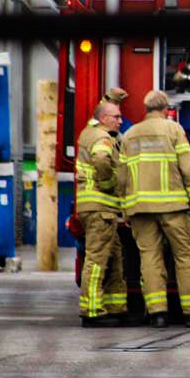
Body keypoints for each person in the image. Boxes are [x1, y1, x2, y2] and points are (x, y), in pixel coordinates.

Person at [119, 90, 190, 328]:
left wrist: (126, 208)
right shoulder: (174, 131)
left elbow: (122, 177)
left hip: (140, 208)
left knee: (149, 258)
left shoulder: (130, 135)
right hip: (173, 206)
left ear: (146, 108)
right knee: (186, 257)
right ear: (166, 109)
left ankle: (157, 313)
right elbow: (189, 171)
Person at [74, 100, 127, 326]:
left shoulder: (89, 132)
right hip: (100, 207)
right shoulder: (101, 138)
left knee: (114, 256)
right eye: (116, 117)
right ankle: (92, 310)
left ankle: (115, 307)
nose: (120, 120)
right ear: (104, 118)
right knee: (96, 259)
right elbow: (102, 160)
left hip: (97, 208)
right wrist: (109, 182)